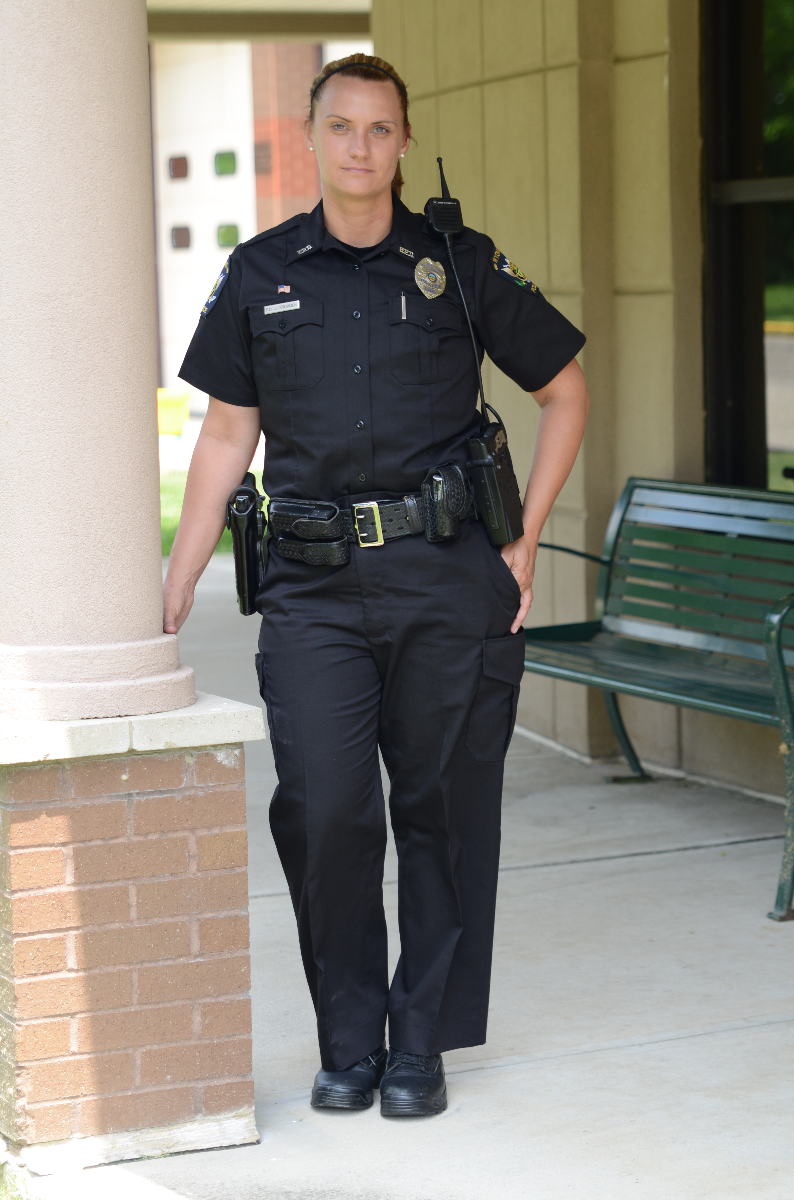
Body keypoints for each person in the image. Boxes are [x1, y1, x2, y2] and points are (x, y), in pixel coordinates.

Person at [165, 53, 589, 1118]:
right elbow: (224, 437)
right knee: (326, 813)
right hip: (311, 593)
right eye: (341, 127)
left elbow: (565, 390)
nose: (360, 147)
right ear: (311, 138)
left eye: (380, 130)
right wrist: (168, 589)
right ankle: (348, 1042)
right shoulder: (260, 273)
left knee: (439, 814)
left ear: (403, 143)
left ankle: (419, 1044)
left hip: (446, 578)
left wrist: (525, 541)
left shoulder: (458, 262)